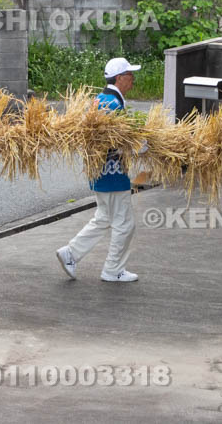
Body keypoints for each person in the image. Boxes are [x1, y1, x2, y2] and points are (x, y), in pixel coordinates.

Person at [56, 57, 142, 283]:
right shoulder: (112, 105)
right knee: (125, 224)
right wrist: (140, 144)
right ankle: (113, 270)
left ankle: (70, 253)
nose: (133, 79)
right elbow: (117, 141)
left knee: (103, 218)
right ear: (119, 78)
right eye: (130, 75)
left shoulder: (102, 99)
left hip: (101, 173)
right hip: (113, 174)